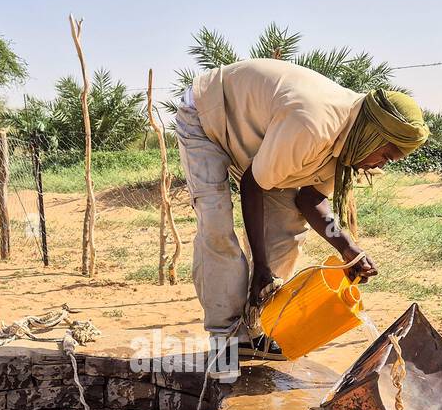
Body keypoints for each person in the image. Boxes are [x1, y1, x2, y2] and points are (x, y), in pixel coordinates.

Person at [175, 58, 429, 359]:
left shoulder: (348, 145)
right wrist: (261, 265)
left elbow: (310, 201)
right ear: (371, 134)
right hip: (208, 117)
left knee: (287, 230)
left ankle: (255, 325)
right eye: (385, 154)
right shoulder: (314, 124)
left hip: (256, 141)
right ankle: (227, 338)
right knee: (216, 225)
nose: (381, 164)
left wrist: (348, 249)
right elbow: (252, 185)